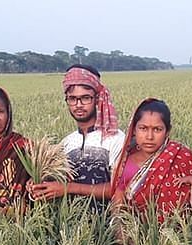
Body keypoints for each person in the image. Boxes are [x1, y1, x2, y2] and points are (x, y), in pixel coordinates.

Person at [29, 64, 125, 210]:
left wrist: (68, 188)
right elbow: (56, 181)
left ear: (98, 99)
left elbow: (120, 188)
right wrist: (38, 183)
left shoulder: (115, 138)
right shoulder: (66, 143)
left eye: (85, 98)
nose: (78, 105)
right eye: (72, 99)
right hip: (70, 226)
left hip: (108, 227)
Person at [111, 98, 192, 217]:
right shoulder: (124, 162)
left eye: (157, 129)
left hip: (178, 231)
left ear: (167, 131)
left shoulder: (181, 156)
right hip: (136, 229)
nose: (149, 136)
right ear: (134, 130)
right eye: (143, 128)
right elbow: (118, 202)